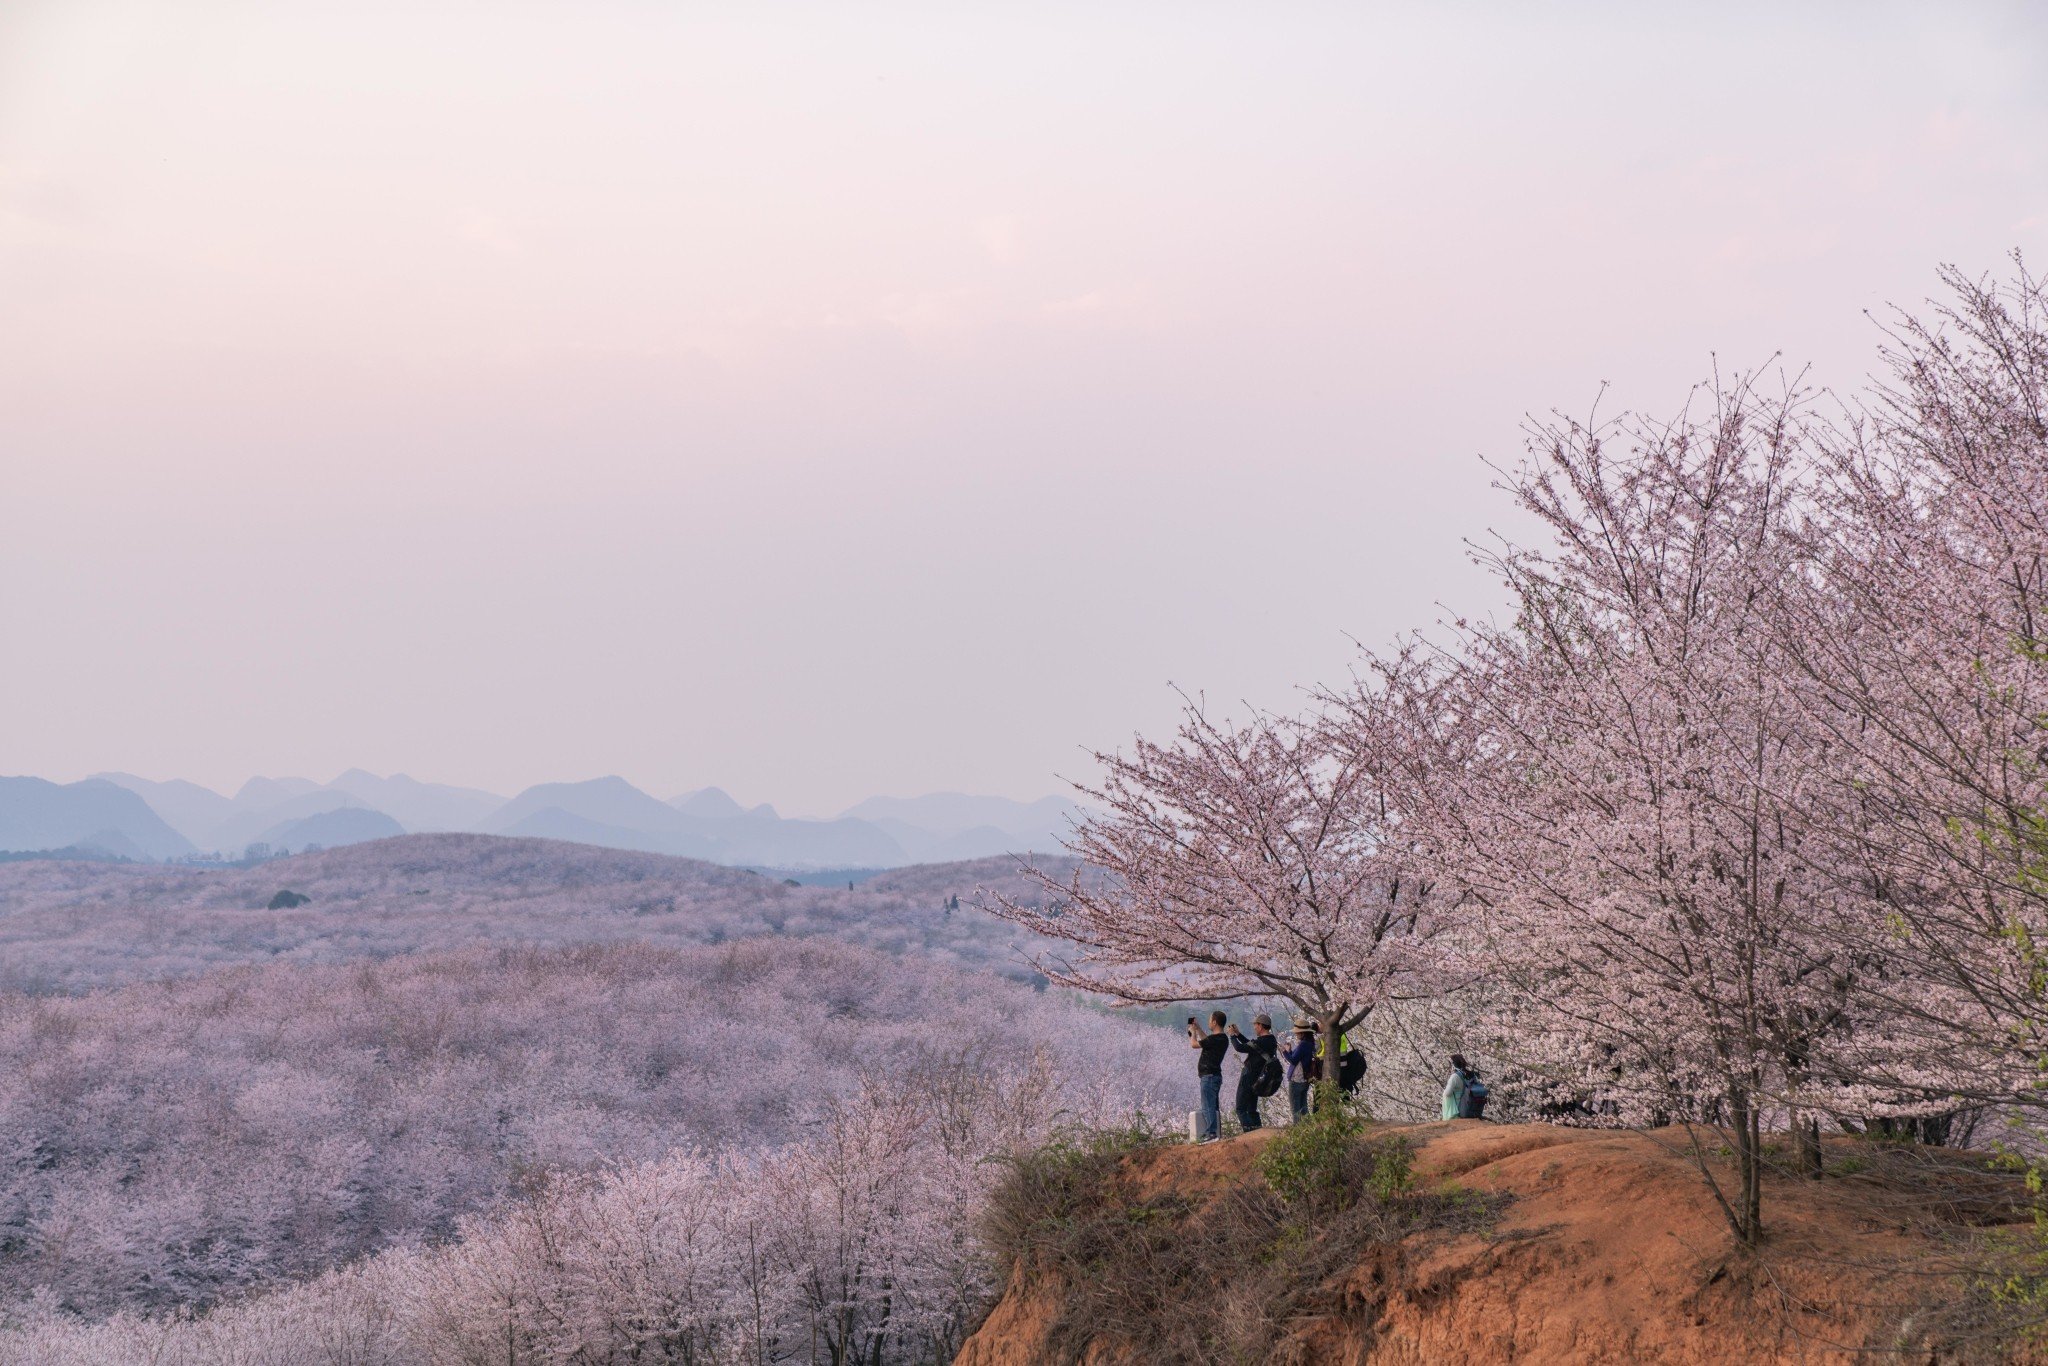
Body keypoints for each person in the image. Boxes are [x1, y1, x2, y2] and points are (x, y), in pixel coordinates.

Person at [1226, 1014, 1279, 1132]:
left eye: (1255, 1025)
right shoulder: (1270, 1040)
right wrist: (1238, 1034)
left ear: (1261, 1026)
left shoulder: (1261, 1042)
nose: (1254, 1027)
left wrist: (1232, 1036)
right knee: (1251, 1109)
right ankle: (1258, 1133)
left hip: (1248, 1076)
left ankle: (1250, 1133)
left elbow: (1240, 1048)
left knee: (1240, 1109)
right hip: (1258, 1078)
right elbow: (1252, 1045)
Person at [1187, 1011, 1232, 1142]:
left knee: (1208, 1106)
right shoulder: (1222, 1038)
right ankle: (1215, 1133)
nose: (1208, 1022)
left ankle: (1211, 1133)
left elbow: (1194, 1044)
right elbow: (1207, 1041)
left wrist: (1192, 1032)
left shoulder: (1215, 1039)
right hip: (1215, 1076)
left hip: (1209, 1076)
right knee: (1212, 1105)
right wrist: (1199, 1028)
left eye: (1210, 1020)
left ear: (1214, 1022)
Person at [1281, 1019, 1318, 1119]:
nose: (1296, 1035)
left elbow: (1293, 1060)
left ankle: (1298, 1130)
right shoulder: (1310, 1044)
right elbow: (1298, 1058)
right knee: (1304, 1108)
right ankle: (1309, 1131)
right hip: (1304, 1079)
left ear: (1302, 1033)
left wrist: (1284, 1051)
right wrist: (1290, 1051)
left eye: (1297, 1033)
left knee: (1296, 1110)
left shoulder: (1302, 1045)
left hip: (1296, 1080)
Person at [1442, 1053, 1487, 1120]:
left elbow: (1447, 1093)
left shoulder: (1455, 1076)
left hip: (1459, 1106)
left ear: (1453, 1064)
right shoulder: (1472, 1074)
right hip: (1471, 1103)